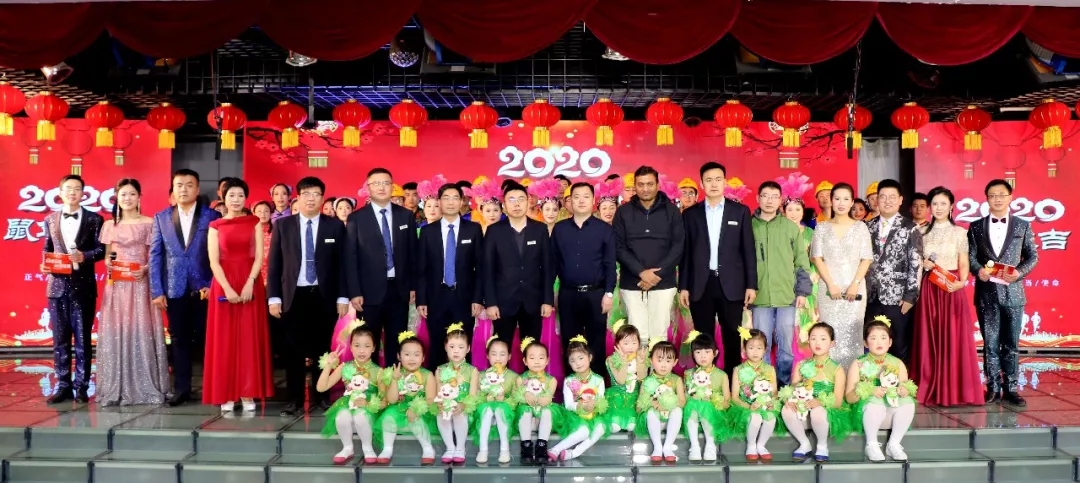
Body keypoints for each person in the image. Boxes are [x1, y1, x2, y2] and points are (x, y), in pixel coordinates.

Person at [268, 176, 349, 416]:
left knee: (322, 349)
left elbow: (342, 264)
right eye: (306, 194)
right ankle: (294, 399)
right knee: (293, 349)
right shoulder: (283, 226)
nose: (311, 198)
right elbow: (275, 264)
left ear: (323, 198)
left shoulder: (334, 226)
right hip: (293, 296)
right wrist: (274, 298)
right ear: (298, 198)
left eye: (316, 194)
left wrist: (342, 297)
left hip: (324, 296)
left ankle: (321, 396)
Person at [150, 169, 221, 406]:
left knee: (207, 339)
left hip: (205, 288)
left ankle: (214, 389)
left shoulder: (212, 216)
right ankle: (182, 390)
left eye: (189, 185)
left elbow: (220, 254)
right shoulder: (161, 217)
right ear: (173, 189)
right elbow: (156, 255)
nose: (184, 189)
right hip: (174, 287)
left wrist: (213, 284)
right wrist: (157, 291)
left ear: (197, 189)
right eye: (179, 185)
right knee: (179, 340)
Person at [679, 161, 757, 376]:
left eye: (718, 179)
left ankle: (732, 382)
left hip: (732, 284)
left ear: (725, 182)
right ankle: (704, 383)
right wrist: (683, 286)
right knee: (703, 338)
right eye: (709, 180)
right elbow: (686, 254)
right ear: (702, 184)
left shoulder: (740, 211)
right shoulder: (690, 214)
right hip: (701, 284)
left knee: (732, 335)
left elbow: (748, 250)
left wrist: (751, 285)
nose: (713, 184)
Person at [96, 178, 169, 407]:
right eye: (123, 194)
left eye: (132, 194)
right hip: (117, 284)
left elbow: (155, 255)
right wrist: (109, 263)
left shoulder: (150, 223)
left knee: (141, 327)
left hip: (140, 283)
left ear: (139, 197)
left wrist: (145, 269)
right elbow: (108, 255)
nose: (127, 198)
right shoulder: (109, 225)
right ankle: (115, 385)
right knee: (118, 330)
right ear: (117, 198)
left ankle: (145, 384)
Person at [204, 178, 274, 412]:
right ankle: (226, 393)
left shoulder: (254, 222)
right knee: (224, 340)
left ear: (246, 198)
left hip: (250, 283)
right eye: (231, 195)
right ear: (223, 197)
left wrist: (250, 283)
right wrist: (227, 288)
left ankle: (247, 392)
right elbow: (213, 261)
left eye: (240, 195)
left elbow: (259, 256)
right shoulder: (215, 225)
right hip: (223, 284)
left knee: (248, 339)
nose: (236, 200)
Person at [968, 179, 1039, 406]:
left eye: (1001, 195)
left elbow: (1032, 256)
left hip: (1014, 294)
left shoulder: (1022, 225)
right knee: (990, 344)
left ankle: (1011, 388)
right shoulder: (976, 226)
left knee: (1011, 344)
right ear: (986, 199)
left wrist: (1018, 273)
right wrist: (978, 270)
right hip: (986, 294)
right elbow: (970, 256)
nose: (997, 199)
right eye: (992, 195)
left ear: (1010, 197)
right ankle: (992, 388)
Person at [910, 186, 983, 407]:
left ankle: (953, 389)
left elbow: (964, 261)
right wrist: (923, 263)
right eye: (935, 204)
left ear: (951, 206)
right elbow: (914, 261)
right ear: (929, 207)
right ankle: (929, 385)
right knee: (929, 336)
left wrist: (961, 282)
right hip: (930, 287)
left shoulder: (960, 232)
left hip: (952, 287)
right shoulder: (921, 232)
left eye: (943, 203)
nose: (939, 208)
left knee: (953, 336)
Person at [40, 174, 104, 404]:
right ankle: (63, 386)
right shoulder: (50, 219)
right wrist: (44, 264)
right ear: (60, 192)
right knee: (60, 340)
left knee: (83, 339)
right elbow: (47, 248)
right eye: (68, 188)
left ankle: (82, 387)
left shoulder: (95, 219)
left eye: (77, 189)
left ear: (83, 193)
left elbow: (101, 250)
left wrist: (84, 256)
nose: (72, 192)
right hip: (56, 287)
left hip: (83, 287)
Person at [345, 168, 418, 368]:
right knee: (368, 342)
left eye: (386, 183)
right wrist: (354, 291)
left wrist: (413, 286)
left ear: (392, 186)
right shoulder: (356, 218)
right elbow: (350, 258)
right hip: (368, 294)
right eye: (376, 183)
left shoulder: (405, 216)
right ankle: (370, 383)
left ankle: (395, 382)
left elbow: (413, 254)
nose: (381, 187)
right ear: (368, 188)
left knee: (398, 341)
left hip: (399, 291)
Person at [551, 182, 617, 377]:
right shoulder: (560, 229)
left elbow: (610, 265)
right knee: (570, 342)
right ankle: (571, 386)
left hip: (596, 294)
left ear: (593, 200)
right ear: (570, 201)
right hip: (568, 294)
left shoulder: (604, 229)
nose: (581, 201)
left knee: (596, 341)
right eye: (576, 197)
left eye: (586, 196)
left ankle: (596, 386)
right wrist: (548, 295)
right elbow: (553, 264)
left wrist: (608, 293)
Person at [614, 166, 685, 343]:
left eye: (650, 184)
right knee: (635, 337)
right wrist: (641, 272)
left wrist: (657, 274)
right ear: (635, 186)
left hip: (663, 283)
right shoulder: (623, 212)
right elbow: (618, 247)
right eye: (641, 184)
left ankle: (657, 363)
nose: (645, 189)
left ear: (657, 185)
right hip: (632, 283)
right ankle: (638, 364)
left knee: (659, 336)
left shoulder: (672, 211)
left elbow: (678, 246)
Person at [750, 181, 812, 385]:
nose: (769, 200)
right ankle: (764, 386)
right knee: (761, 345)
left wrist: (802, 291)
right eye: (765, 196)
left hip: (787, 295)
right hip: (759, 296)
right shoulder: (748, 226)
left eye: (774, 196)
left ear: (780, 200)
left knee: (785, 346)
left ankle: (784, 384)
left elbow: (801, 261)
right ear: (758, 198)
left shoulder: (789, 227)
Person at [417, 184, 484, 369]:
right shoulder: (428, 231)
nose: (450, 202)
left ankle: (464, 383)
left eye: (455, 198)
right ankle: (436, 383)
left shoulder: (473, 229)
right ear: (439, 201)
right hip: (435, 298)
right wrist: (422, 299)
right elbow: (421, 269)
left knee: (462, 345)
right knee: (437, 345)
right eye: (446, 198)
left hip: (464, 298)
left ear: (462, 201)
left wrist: (478, 298)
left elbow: (481, 268)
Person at [483, 183, 554, 349]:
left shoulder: (540, 229)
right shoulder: (494, 231)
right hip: (503, 302)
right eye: (512, 200)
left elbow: (547, 267)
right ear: (504, 204)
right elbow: (487, 269)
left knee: (532, 349)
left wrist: (547, 300)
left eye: (521, 199)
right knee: (501, 349)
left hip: (533, 301)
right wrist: (490, 302)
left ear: (528, 202)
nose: (517, 204)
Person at [810, 182, 872, 369]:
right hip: (829, 290)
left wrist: (855, 283)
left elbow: (866, 259)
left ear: (852, 202)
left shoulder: (860, 227)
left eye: (846, 199)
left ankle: (853, 379)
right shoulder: (821, 228)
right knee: (828, 333)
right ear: (831, 201)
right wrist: (830, 284)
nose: (841, 203)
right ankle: (827, 378)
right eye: (837, 198)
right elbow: (816, 258)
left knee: (853, 335)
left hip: (855, 289)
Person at [864, 179, 923, 363]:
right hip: (871, 296)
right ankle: (873, 379)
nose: (887, 201)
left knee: (898, 344)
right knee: (872, 343)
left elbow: (916, 263)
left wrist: (911, 296)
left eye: (892, 197)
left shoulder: (910, 227)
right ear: (877, 200)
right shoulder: (867, 226)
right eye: (883, 197)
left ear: (900, 200)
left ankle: (898, 381)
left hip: (898, 298)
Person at [845, 318, 917, 462]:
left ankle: (894, 444)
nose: (879, 342)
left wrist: (904, 390)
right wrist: (868, 391)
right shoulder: (858, 363)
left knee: (908, 402)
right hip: (868, 409)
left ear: (890, 342)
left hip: (890, 407)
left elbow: (906, 386)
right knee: (875, 401)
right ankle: (871, 444)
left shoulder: (897, 363)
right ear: (866, 343)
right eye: (873, 338)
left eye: (883, 338)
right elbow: (849, 397)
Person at [780, 322, 852, 463]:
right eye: (813, 338)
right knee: (786, 409)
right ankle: (804, 443)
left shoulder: (837, 369)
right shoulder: (801, 365)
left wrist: (820, 402)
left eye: (823, 339)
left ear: (832, 343)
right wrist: (789, 399)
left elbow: (838, 401)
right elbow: (793, 388)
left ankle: (822, 446)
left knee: (817, 412)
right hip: (803, 411)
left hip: (824, 413)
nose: (817, 343)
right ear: (808, 341)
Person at [316, 321, 385, 465]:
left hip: (368, 410)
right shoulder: (344, 367)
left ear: (373, 348)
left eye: (367, 346)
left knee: (361, 416)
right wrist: (329, 365)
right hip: (349, 404)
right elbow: (321, 388)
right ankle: (347, 447)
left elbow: (385, 400)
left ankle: (367, 447)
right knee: (341, 416)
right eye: (357, 345)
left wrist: (368, 404)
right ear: (351, 347)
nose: (361, 351)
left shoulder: (379, 372)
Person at [375, 331, 437, 464]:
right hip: (399, 408)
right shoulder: (394, 373)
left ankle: (428, 448)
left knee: (417, 420)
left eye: (416, 354)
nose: (411, 358)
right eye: (407, 354)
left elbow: (431, 399)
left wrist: (416, 408)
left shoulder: (428, 375)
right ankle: (387, 449)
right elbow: (392, 400)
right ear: (399, 356)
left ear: (423, 357)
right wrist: (395, 380)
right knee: (388, 417)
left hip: (421, 410)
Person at [548, 335, 609, 462]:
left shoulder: (598, 380)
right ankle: (556, 449)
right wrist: (581, 406)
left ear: (590, 358)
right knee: (584, 430)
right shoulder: (569, 381)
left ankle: (573, 453)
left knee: (601, 428)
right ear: (569, 363)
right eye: (573, 360)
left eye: (581, 358)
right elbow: (569, 404)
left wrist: (594, 404)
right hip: (575, 416)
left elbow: (601, 400)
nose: (578, 363)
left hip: (594, 414)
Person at [729, 329, 783, 461]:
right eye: (751, 347)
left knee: (771, 417)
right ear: (744, 349)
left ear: (765, 350)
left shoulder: (769, 369)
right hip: (745, 406)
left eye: (759, 348)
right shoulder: (738, 369)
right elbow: (734, 397)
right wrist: (749, 406)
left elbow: (774, 393)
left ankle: (761, 445)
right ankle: (751, 445)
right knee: (755, 417)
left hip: (764, 405)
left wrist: (771, 403)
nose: (755, 352)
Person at [431, 323, 479, 464]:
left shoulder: (472, 370)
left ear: (468, 349)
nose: (456, 351)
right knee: (441, 413)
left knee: (459, 412)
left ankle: (460, 448)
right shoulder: (439, 370)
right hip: (447, 406)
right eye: (452, 347)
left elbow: (473, 396)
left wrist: (463, 405)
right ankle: (450, 447)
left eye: (461, 347)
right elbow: (439, 392)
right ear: (446, 347)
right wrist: (441, 404)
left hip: (465, 409)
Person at [681, 331, 731, 462]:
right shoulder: (688, 374)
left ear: (715, 353)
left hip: (714, 414)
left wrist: (713, 400)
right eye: (698, 352)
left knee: (706, 406)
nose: (702, 356)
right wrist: (693, 398)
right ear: (693, 354)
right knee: (693, 404)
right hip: (692, 414)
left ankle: (710, 445)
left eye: (707, 352)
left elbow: (727, 401)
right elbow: (684, 396)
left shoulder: (721, 375)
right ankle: (694, 446)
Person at [636, 340, 685, 463]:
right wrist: (653, 404)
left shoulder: (676, 380)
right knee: (651, 412)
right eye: (659, 360)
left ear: (675, 362)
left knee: (678, 410)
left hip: (671, 421)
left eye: (668, 361)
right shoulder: (647, 381)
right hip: (654, 422)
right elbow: (639, 406)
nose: (663, 365)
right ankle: (657, 447)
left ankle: (668, 447)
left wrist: (667, 405)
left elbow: (682, 401)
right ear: (651, 360)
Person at [514, 338, 562, 465]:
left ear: (547, 361)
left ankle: (541, 446)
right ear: (525, 361)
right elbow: (517, 397)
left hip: (543, 422)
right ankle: (526, 446)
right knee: (524, 410)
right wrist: (525, 394)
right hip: (527, 423)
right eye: (532, 358)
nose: (537, 361)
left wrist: (546, 399)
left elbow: (549, 397)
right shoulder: (520, 379)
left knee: (547, 411)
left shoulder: (552, 380)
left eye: (541, 358)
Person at [471, 337, 518, 464]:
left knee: (500, 409)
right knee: (486, 409)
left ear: (509, 356)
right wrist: (485, 399)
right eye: (494, 354)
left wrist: (504, 400)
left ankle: (504, 450)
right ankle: (483, 450)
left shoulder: (513, 377)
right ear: (487, 356)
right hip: (486, 414)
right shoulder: (481, 375)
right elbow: (475, 396)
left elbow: (516, 398)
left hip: (504, 414)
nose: (498, 358)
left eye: (502, 354)